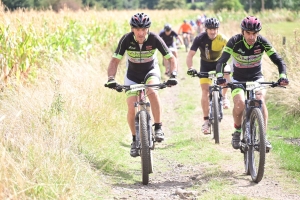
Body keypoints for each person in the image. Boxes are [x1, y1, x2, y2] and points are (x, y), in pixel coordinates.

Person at [105, 13, 178, 157]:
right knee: (131, 107)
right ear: (132, 29)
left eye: (144, 29)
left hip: (150, 71)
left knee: (152, 91)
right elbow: (114, 61)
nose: (141, 33)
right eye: (137, 29)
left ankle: (158, 127)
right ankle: (134, 140)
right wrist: (111, 78)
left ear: (148, 29)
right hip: (132, 75)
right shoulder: (126, 39)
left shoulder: (154, 38)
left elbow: (171, 58)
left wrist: (173, 74)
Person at [215, 16, 289, 151]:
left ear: (258, 33)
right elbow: (222, 61)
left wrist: (283, 76)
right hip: (238, 79)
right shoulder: (234, 41)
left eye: (254, 33)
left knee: (260, 100)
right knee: (240, 103)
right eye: (248, 33)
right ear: (243, 32)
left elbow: (278, 60)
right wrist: (220, 76)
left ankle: (263, 137)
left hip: (256, 78)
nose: (251, 36)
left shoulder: (262, 42)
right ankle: (237, 132)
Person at [186, 17, 231, 134]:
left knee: (227, 72)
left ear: (218, 29)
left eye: (215, 29)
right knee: (205, 92)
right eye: (210, 29)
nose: (212, 32)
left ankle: (225, 97)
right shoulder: (200, 38)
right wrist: (190, 68)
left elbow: (234, 51)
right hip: (205, 65)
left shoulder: (222, 39)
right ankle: (206, 121)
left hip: (219, 64)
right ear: (206, 29)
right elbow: (190, 55)